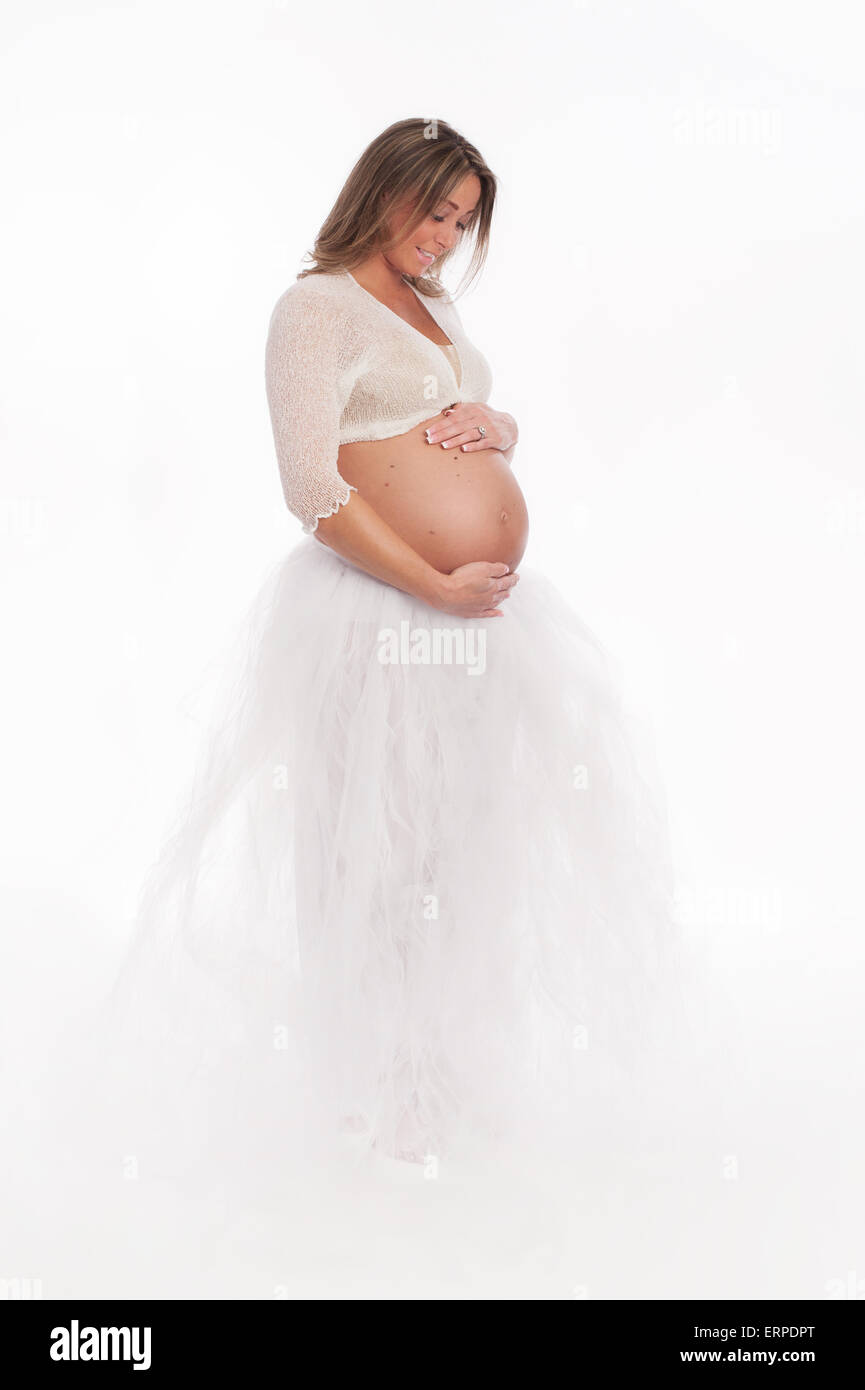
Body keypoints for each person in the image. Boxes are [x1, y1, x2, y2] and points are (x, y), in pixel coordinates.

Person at [112, 117, 678, 1170]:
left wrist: (499, 428)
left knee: (458, 850)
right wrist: (431, 584)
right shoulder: (313, 308)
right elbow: (309, 484)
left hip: (476, 621)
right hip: (373, 614)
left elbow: (450, 410)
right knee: (367, 850)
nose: (445, 236)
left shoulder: (435, 306)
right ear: (383, 189)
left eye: (462, 222)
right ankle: (369, 1089)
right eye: (435, 211)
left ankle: (439, 1072)